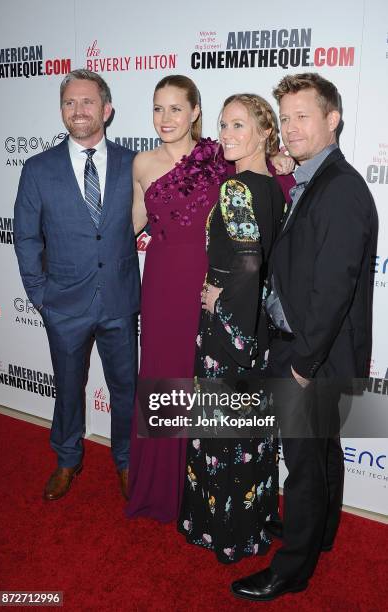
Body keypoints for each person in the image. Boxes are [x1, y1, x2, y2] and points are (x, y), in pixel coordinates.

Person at [231, 73, 377, 601]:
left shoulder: (339, 188)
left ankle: (292, 568)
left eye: (302, 116)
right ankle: (318, 531)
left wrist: (302, 363)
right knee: (322, 452)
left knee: (305, 465)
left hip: (313, 353)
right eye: (285, 117)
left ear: (332, 119)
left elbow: (333, 290)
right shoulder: (318, 176)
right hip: (315, 348)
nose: (290, 128)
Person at [127, 75, 294, 523]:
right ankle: (158, 488)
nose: (166, 118)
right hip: (162, 285)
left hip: (206, 288)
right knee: (164, 380)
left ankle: (197, 492)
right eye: (157, 108)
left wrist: (281, 160)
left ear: (195, 111)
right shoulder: (141, 163)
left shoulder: (222, 158)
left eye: (176, 108)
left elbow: (263, 193)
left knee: (199, 383)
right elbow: (128, 227)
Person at [14, 69, 139, 501]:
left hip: (120, 301)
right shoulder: (38, 168)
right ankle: (67, 459)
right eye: (70, 102)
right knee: (68, 389)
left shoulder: (132, 163)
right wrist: (40, 296)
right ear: (62, 111)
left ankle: (126, 461)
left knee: (126, 390)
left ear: (107, 110)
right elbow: (26, 237)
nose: (78, 110)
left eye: (87, 102)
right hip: (63, 305)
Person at [177, 93, 285, 563]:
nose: (225, 134)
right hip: (258, 329)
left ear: (264, 132)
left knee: (223, 436)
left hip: (231, 334)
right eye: (222, 125)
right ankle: (250, 531)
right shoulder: (273, 186)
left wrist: (222, 312)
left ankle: (220, 534)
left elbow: (248, 263)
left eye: (238, 125)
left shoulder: (237, 189)